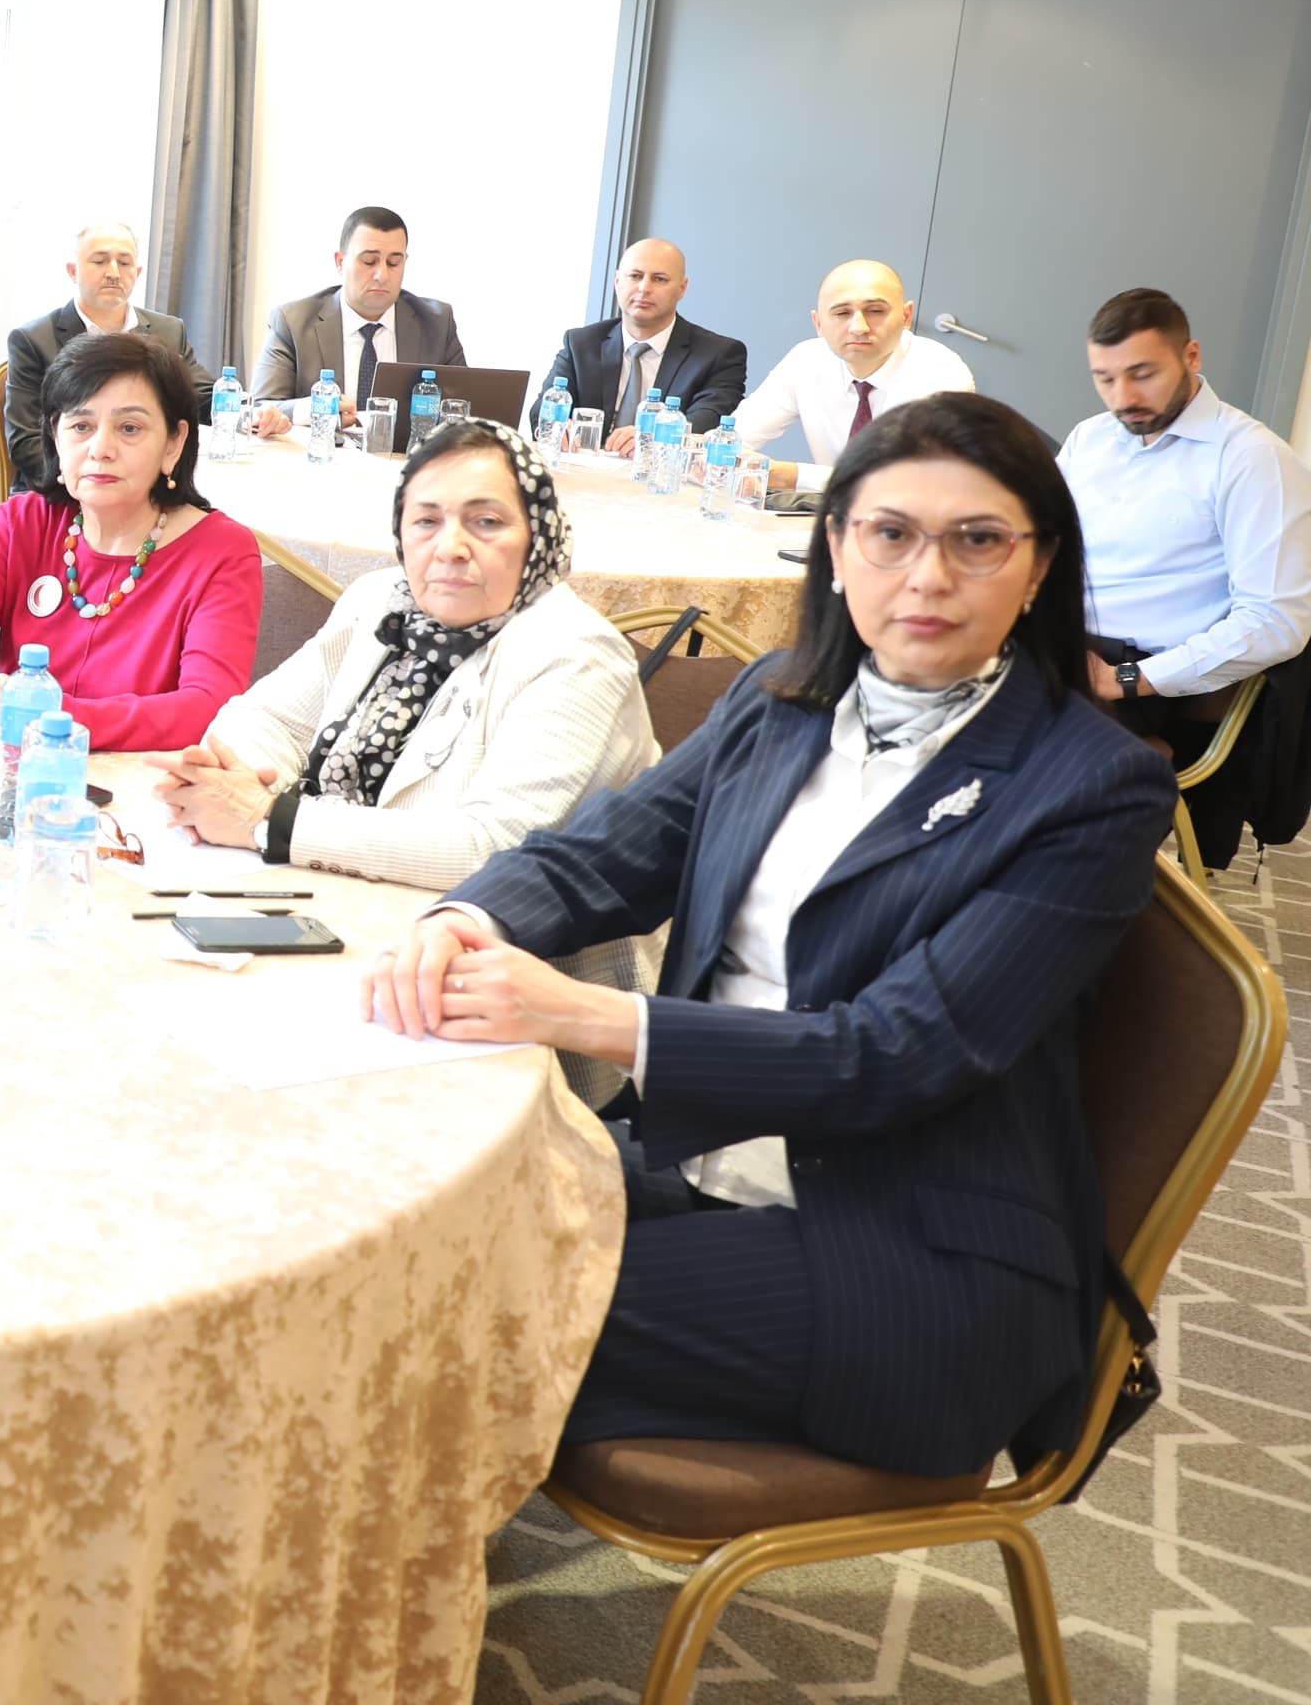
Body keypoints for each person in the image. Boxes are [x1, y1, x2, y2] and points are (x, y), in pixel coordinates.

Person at [370, 392, 1175, 1480]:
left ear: (1038, 569)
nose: (928, 576)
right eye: (891, 533)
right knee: (386, 1244)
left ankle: (360, 1622)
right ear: (838, 548)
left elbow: (899, 1051)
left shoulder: (1092, 783)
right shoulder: (782, 697)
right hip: (709, 1158)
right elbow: (606, 851)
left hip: (913, 1256)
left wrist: (583, 1013)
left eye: (978, 540)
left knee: (430, 1329)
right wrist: (464, 916)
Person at [146, 417, 658, 1094]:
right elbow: (267, 718)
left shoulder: (575, 655)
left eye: (486, 522)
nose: (449, 548)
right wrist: (231, 777)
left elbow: (493, 848)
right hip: (344, 919)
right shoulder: (379, 602)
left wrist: (270, 820)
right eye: (425, 522)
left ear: (537, 532)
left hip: (500, 994)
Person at [0, 333, 258, 749]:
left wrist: (52, 715)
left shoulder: (222, 552)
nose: (101, 449)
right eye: (81, 426)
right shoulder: (24, 523)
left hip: (146, 787)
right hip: (13, 776)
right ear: (56, 437)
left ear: (174, 443)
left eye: (129, 428)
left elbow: (208, 707)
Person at [1060, 287, 1311, 734]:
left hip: (1143, 680)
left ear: (1191, 356)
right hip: (1059, 647)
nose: (1124, 398)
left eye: (1143, 374)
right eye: (1105, 378)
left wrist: (1128, 679)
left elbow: (1276, 622)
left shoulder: (1251, 458)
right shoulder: (1089, 439)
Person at [727, 258, 973, 489]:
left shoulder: (941, 373)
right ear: (818, 323)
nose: (859, 328)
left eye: (875, 311)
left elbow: (904, 482)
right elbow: (729, 440)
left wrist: (789, 475)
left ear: (906, 316)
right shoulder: (806, 359)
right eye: (842, 313)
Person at [0, 221, 192, 493]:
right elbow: (25, 441)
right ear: (73, 271)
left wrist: (254, 413)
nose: (113, 272)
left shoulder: (169, 331)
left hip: (149, 482)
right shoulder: (33, 339)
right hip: (64, 488)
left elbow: (204, 397)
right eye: (100, 261)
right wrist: (97, 476)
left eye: (124, 264)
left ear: (137, 273)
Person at [245, 206, 467, 433]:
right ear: (340, 262)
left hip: (407, 462)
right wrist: (307, 409)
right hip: (321, 459)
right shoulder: (294, 322)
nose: (382, 275)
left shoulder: (437, 323)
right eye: (369, 261)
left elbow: (465, 409)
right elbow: (261, 406)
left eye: (394, 263)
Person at [536, 237, 750, 449]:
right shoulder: (581, 343)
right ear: (617, 281)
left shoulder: (719, 354)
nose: (644, 288)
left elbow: (707, 421)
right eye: (635, 276)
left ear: (682, 288)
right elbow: (542, 411)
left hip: (662, 474)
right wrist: (554, 428)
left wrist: (651, 437)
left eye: (659, 279)